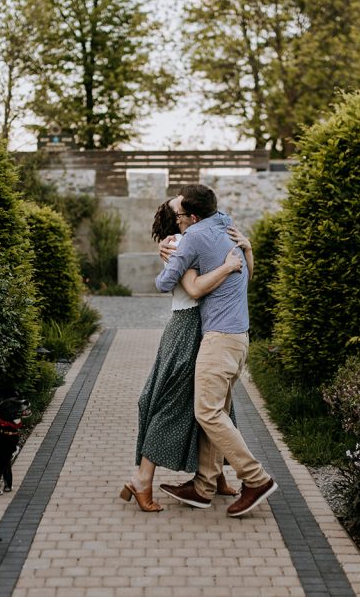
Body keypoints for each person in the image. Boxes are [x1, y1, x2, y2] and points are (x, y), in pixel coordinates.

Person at [154, 184, 277, 517]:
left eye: (180, 215)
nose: (177, 221)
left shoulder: (193, 236)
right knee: (216, 410)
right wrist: (247, 254)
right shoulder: (225, 223)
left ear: (193, 216)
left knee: (206, 412)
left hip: (219, 338)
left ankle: (256, 478)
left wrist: (168, 257)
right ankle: (204, 486)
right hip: (239, 339)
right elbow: (243, 274)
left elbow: (164, 283)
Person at [120, 200, 250, 512]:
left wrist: (246, 248)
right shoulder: (180, 243)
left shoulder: (195, 238)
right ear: (177, 218)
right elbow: (195, 288)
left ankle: (214, 476)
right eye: (181, 205)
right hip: (188, 327)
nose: (190, 207)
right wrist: (229, 265)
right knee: (174, 402)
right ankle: (142, 478)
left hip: (201, 326)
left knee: (213, 403)